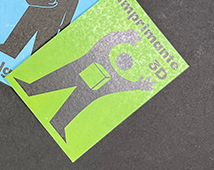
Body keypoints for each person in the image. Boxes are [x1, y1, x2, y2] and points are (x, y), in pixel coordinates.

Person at [12, 30, 155, 140]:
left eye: (124, 62)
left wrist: (139, 86)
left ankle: (57, 123)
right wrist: (122, 36)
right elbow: (105, 43)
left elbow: (122, 83)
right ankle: (32, 90)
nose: (122, 62)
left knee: (74, 104)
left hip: (90, 89)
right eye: (123, 59)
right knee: (57, 80)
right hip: (79, 74)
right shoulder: (100, 55)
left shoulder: (113, 75)